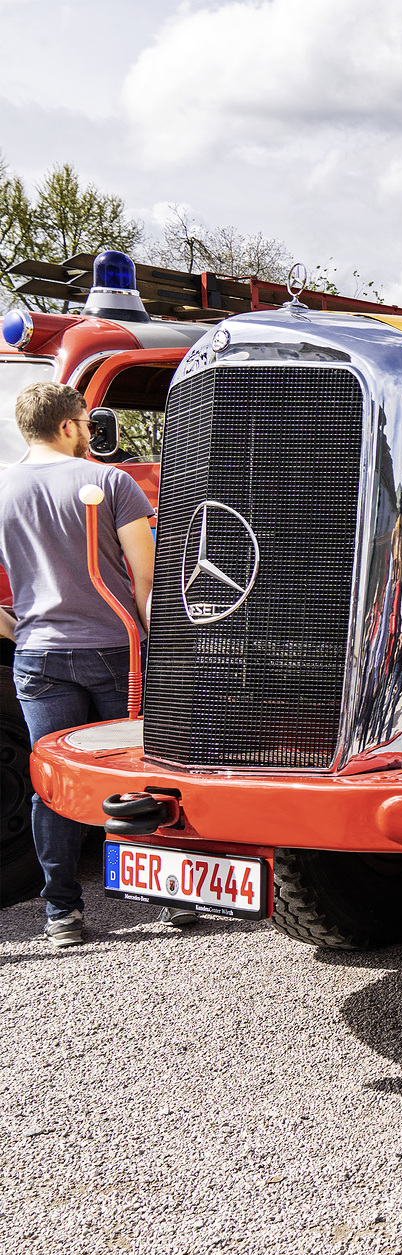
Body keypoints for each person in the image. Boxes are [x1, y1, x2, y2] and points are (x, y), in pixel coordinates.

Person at [0, 383, 172, 948]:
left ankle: (62, 915)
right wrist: (157, 650)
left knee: (49, 785)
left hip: (38, 656)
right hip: (114, 650)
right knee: (135, 780)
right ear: (71, 426)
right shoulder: (111, 481)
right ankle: (167, 896)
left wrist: (19, 629)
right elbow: (146, 580)